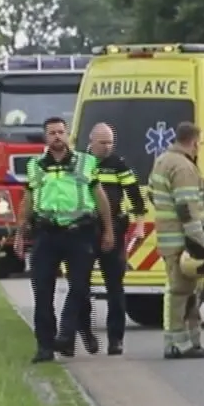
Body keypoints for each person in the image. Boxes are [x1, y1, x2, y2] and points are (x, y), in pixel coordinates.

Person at [15, 116, 113, 363]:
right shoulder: (36, 165)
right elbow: (27, 200)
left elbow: (100, 197)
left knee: (79, 287)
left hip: (80, 232)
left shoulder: (85, 162)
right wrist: (19, 232)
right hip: (46, 233)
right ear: (45, 138)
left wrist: (108, 229)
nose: (57, 136)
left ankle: (66, 334)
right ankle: (45, 347)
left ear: (67, 135)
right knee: (42, 291)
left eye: (61, 132)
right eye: (52, 133)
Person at [66, 123, 147, 356]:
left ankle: (115, 339)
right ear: (91, 142)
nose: (107, 147)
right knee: (79, 287)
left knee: (115, 287)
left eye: (111, 142)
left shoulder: (118, 165)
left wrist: (139, 225)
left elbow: (135, 197)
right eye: (103, 142)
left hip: (114, 231)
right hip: (85, 232)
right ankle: (86, 332)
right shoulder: (78, 164)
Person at [149, 122, 204, 360]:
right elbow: (186, 207)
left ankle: (187, 342)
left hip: (169, 238)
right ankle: (180, 344)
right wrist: (198, 242)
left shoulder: (162, 160)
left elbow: (152, 195)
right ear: (194, 142)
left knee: (185, 293)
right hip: (183, 242)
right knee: (183, 293)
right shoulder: (184, 167)